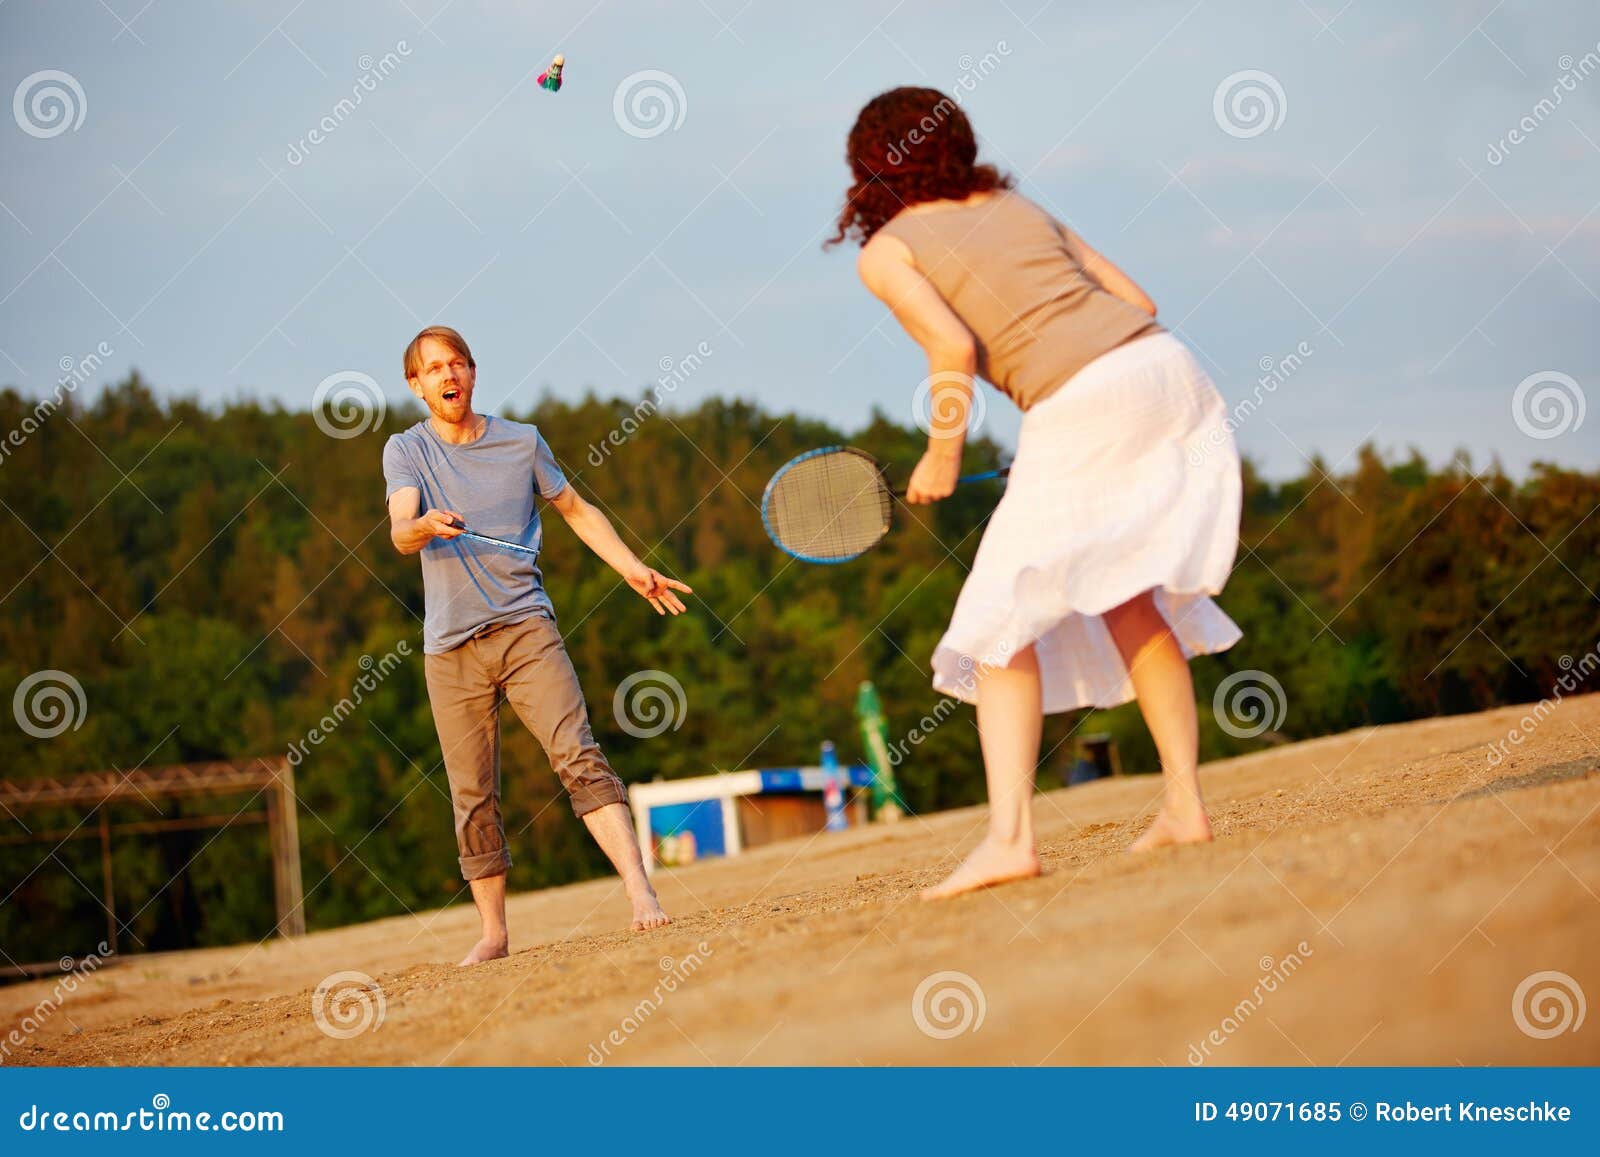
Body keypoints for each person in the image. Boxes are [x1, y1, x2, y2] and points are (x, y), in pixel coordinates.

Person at [828, 88, 1243, 900]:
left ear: (869, 167)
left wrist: (942, 453)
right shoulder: (1012, 202)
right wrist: (1063, 436)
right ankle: (1185, 806)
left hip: (1085, 397)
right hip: (1165, 369)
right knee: (1129, 598)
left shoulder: (885, 252)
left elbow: (951, 346)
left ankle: (1011, 838)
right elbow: (1138, 301)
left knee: (998, 616)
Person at [383, 325, 691, 963]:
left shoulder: (521, 442)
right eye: (435, 368)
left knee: (576, 755)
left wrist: (631, 568)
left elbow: (575, 509)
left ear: (473, 371)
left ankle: (641, 894)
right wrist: (422, 527)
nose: (450, 376)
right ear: (415, 384)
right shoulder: (404, 451)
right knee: (471, 791)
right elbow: (399, 531)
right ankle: (493, 934)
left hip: (526, 628)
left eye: (459, 363)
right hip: (449, 650)